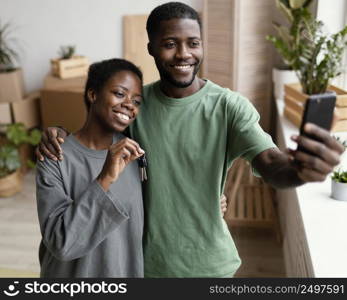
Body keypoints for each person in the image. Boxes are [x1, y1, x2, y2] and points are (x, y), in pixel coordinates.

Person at [37, 2, 344, 277]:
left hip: (210, 267)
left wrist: (299, 170)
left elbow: (270, 163)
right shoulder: (138, 107)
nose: (184, 54)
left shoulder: (229, 106)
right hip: (144, 266)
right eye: (170, 44)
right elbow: (97, 136)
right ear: (152, 48)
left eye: (193, 43)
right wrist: (58, 132)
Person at [36, 58, 146, 277]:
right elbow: (62, 243)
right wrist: (105, 178)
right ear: (93, 94)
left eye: (136, 101)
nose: (129, 105)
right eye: (119, 93)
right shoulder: (54, 156)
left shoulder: (136, 154)